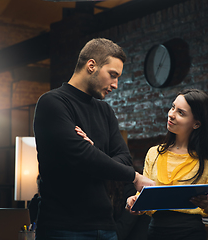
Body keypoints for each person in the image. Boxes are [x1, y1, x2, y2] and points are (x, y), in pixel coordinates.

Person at [33, 38, 155, 240]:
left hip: (105, 226)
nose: (115, 85)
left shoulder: (105, 110)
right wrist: (134, 176)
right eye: (112, 75)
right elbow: (81, 156)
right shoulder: (52, 103)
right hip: (62, 227)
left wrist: (93, 152)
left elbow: (123, 157)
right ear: (91, 66)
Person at [125, 89, 208, 240]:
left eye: (181, 112)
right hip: (156, 231)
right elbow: (145, 197)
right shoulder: (154, 154)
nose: (171, 114)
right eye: (172, 107)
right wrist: (135, 202)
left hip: (190, 233)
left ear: (196, 124)